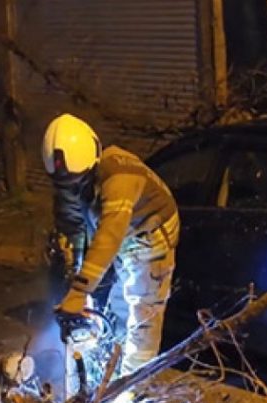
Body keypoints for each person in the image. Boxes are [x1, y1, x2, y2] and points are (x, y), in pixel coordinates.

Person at [42, 113, 179, 377]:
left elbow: (110, 235)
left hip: (150, 237)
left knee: (142, 312)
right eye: (65, 185)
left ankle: (134, 387)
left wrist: (79, 292)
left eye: (76, 182)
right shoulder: (74, 175)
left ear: (91, 164)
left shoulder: (119, 178)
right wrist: (74, 271)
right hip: (123, 236)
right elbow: (73, 227)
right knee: (118, 306)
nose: (71, 189)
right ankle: (113, 373)